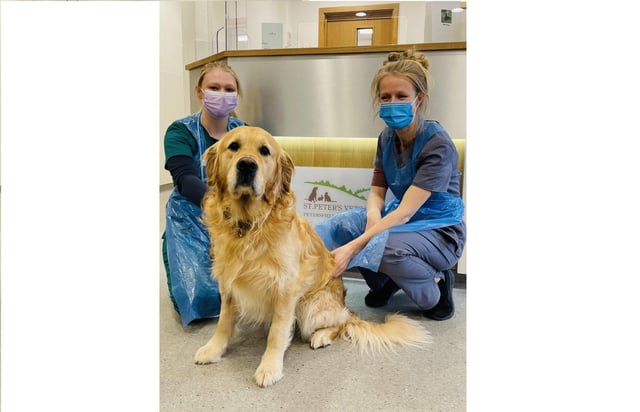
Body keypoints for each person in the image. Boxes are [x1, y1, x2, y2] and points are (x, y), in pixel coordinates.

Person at [315, 48, 466, 321]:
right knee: (344, 225)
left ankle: (437, 287)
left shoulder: (437, 144)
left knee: (379, 245)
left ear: (418, 99)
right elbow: (376, 192)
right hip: (401, 222)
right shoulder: (386, 138)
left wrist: (354, 246)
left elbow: (406, 211)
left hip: (440, 231)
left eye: (401, 96)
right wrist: (372, 215)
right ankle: (387, 282)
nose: (392, 102)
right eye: (385, 97)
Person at [162, 61, 248, 326]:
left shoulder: (243, 131)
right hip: (190, 216)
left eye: (228, 88)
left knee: (245, 291)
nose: (221, 94)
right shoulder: (180, 131)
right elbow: (186, 181)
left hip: (236, 216)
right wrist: (220, 210)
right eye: (214, 87)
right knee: (200, 295)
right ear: (200, 92)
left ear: (236, 95)